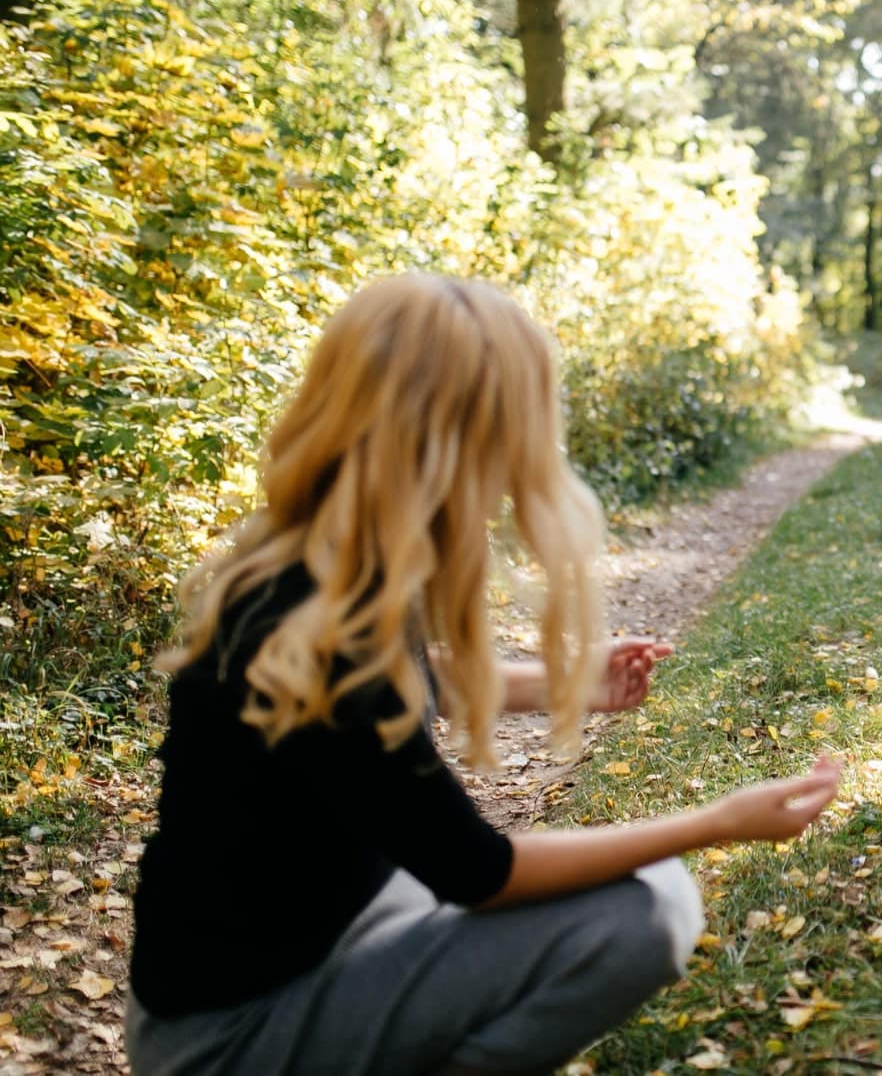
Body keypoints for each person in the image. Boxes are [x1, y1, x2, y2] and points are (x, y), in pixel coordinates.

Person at [125, 274, 844, 1076]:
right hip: (226, 1040)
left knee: (615, 893)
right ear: (455, 442)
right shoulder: (312, 626)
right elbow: (480, 873)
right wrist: (717, 821)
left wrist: (560, 682)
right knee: (650, 909)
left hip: (318, 936)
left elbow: (400, 683)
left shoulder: (319, 571)